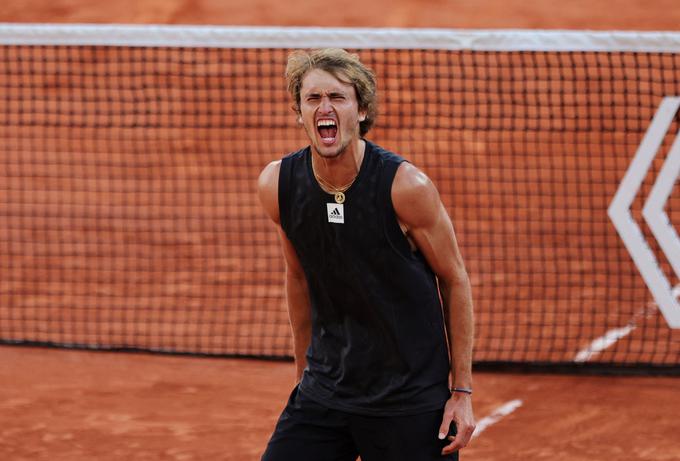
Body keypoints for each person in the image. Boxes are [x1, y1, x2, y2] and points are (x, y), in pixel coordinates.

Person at [258, 48, 475, 461]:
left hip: (408, 400)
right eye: (313, 98)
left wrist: (461, 392)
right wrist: (304, 378)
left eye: (338, 97)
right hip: (326, 393)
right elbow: (298, 278)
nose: (325, 108)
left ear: (360, 110)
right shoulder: (278, 185)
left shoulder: (406, 188)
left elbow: (454, 279)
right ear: (298, 112)